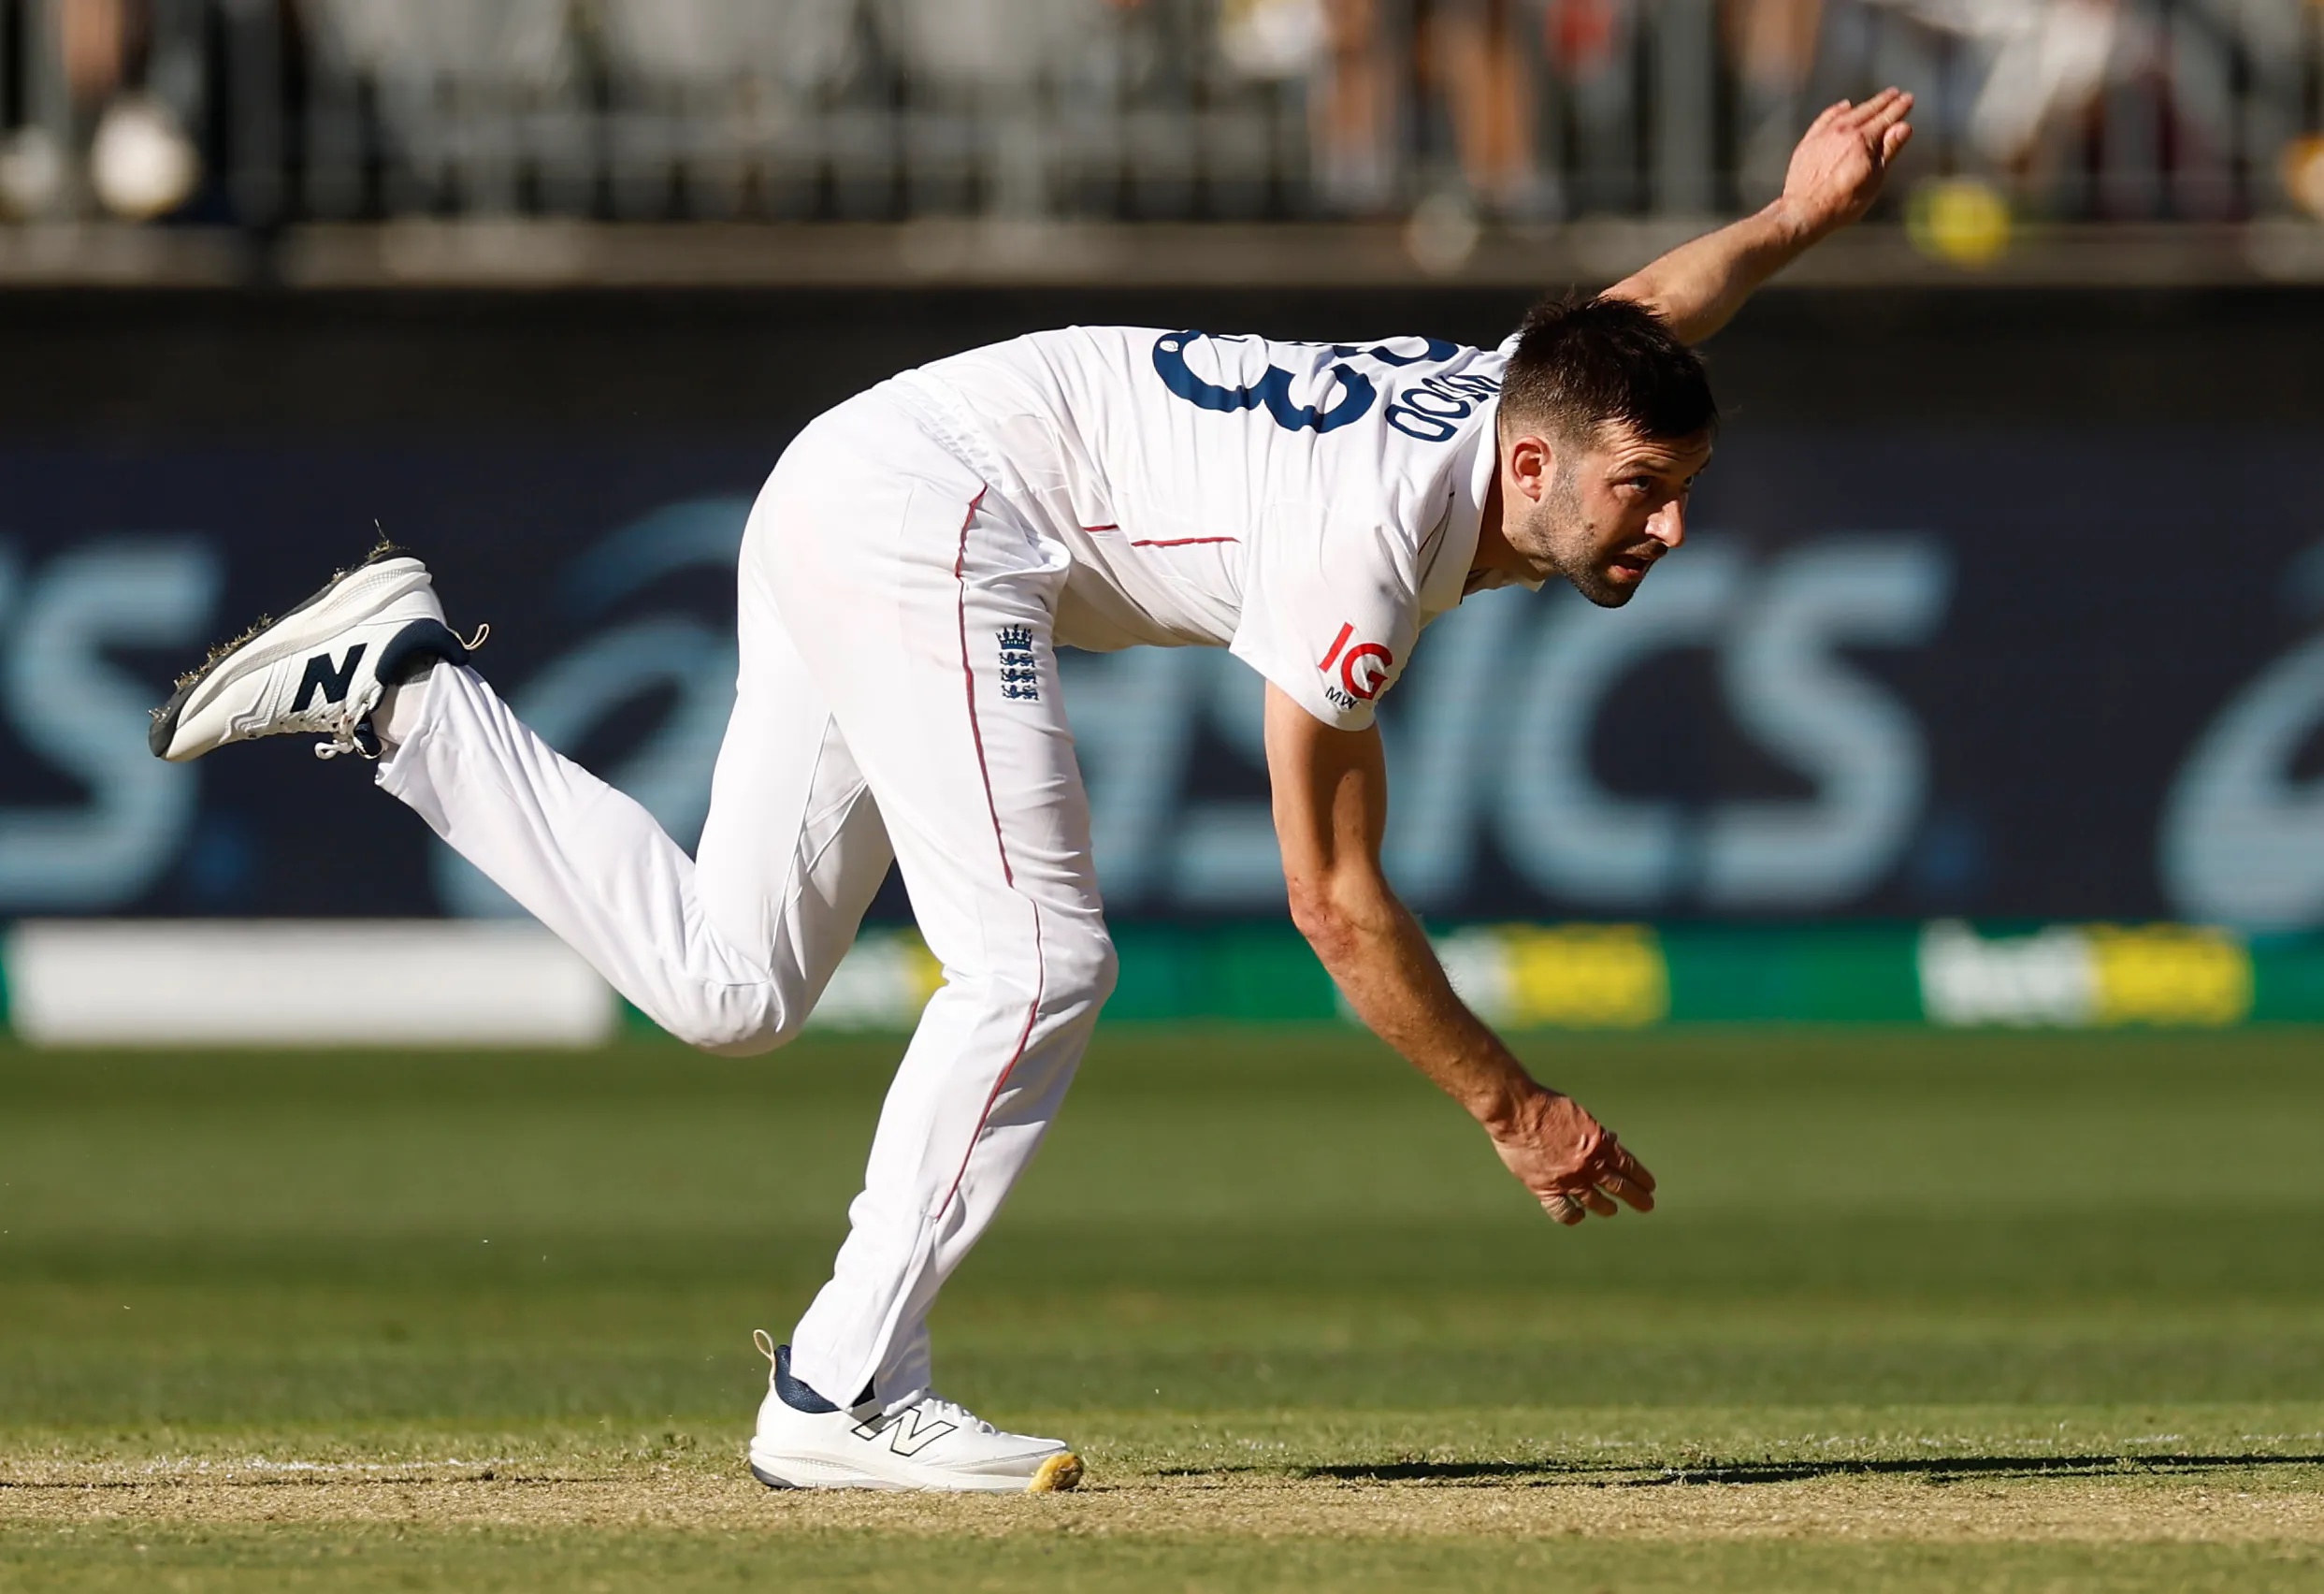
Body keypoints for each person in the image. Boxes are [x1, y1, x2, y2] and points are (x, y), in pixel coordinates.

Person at [150, 89, 1914, 1496]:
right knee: (1043, 961)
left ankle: (401, 693)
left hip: (861, 475)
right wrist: (1513, 1110)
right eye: (1641, 492)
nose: (1670, 526)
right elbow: (1332, 904)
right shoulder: (1369, 549)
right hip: (937, 510)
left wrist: (1790, 221)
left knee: (730, 986)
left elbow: (1632, 322)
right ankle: (843, 1389)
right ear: (1532, 465)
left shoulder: (1528, 401)